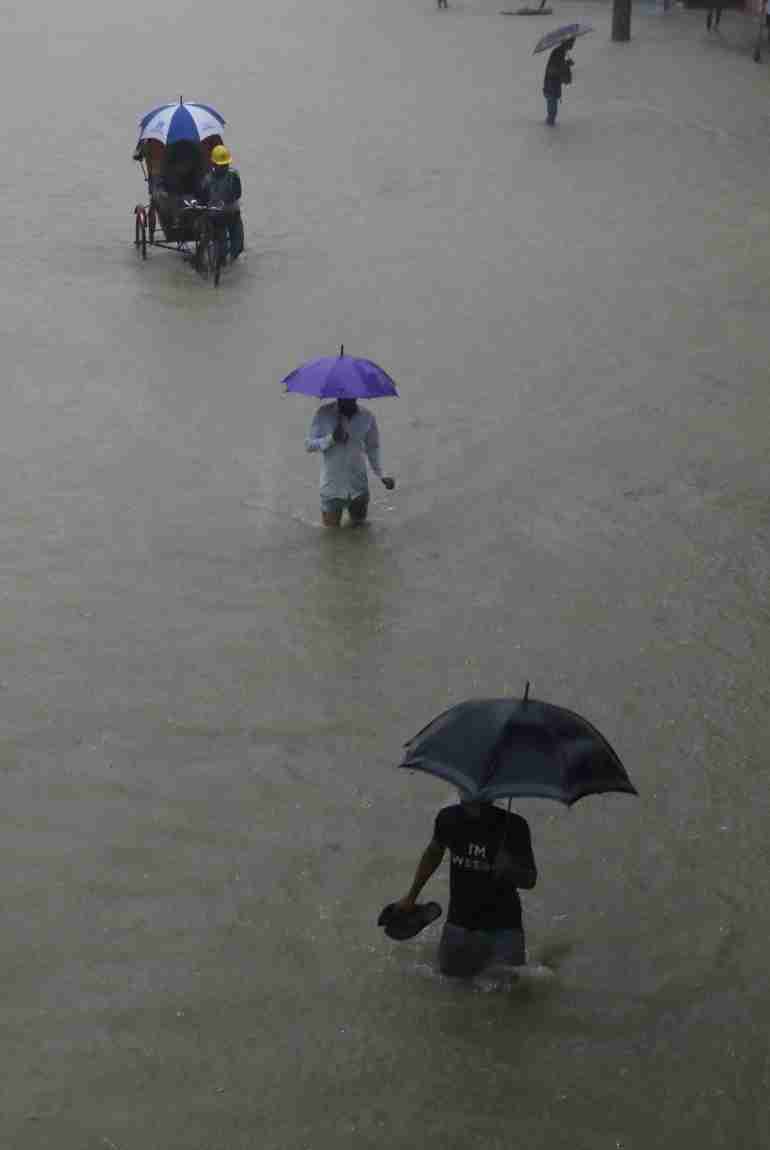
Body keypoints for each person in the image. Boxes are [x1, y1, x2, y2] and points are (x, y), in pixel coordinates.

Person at [393, 796, 537, 977]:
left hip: (504, 929)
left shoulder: (514, 826)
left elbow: (531, 880)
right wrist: (411, 897)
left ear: (491, 793)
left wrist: (510, 869)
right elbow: (433, 853)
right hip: (459, 924)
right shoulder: (448, 818)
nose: (468, 794)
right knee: (450, 990)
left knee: (509, 997)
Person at [305, 397, 395, 527]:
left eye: (351, 395)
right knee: (331, 538)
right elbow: (309, 445)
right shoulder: (323, 413)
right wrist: (332, 439)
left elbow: (373, 448)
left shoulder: (367, 416)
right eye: (343, 394)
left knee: (360, 535)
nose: (347, 397)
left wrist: (382, 474)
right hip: (332, 489)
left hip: (359, 487)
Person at [199, 144, 244, 261]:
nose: (224, 167)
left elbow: (238, 193)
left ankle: (233, 258)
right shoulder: (207, 180)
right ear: (213, 164)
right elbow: (203, 199)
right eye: (221, 165)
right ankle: (221, 261)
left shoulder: (234, 175)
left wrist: (226, 200)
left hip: (232, 213)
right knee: (222, 250)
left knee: (238, 245)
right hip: (216, 216)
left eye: (225, 165)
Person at [543, 38, 574, 126]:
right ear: (566, 42)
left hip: (553, 83)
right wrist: (566, 65)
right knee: (552, 110)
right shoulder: (558, 53)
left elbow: (558, 66)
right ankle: (550, 127)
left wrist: (566, 64)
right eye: (571, 42)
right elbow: (554, 68)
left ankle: (550, 125)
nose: (572, 45)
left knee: (552, 108)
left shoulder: (561, 52)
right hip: (551, 83)